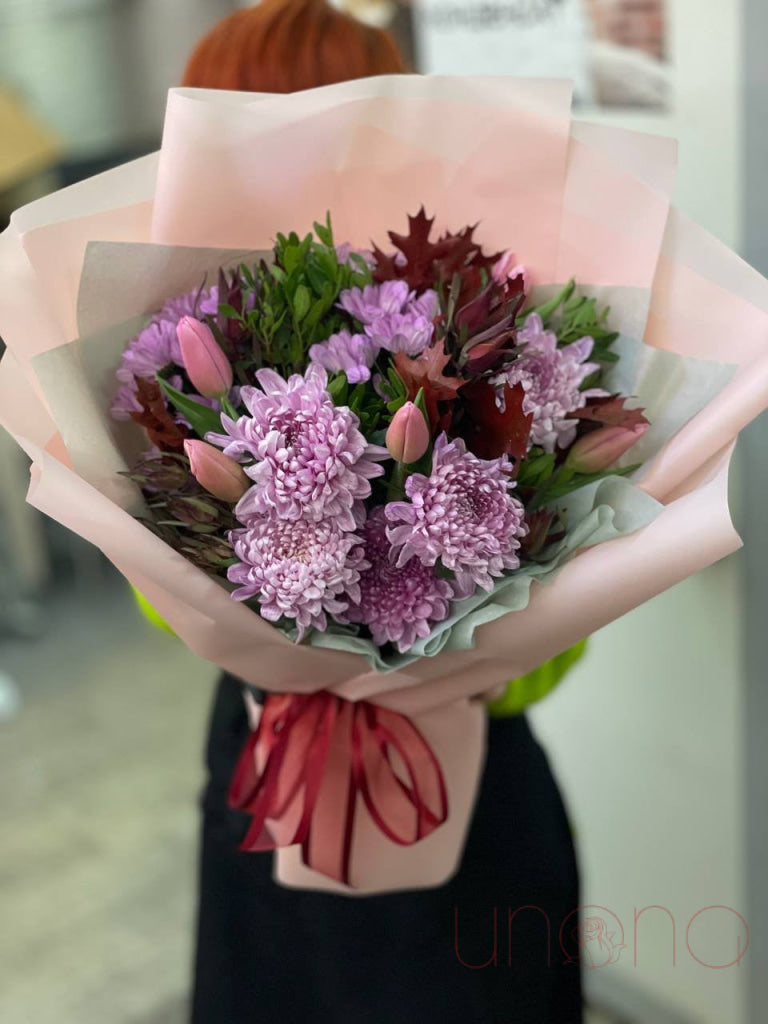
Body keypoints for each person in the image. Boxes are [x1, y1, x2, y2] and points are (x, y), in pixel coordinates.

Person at [183, 4, 582, 1021]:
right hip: (369, 780)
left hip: (375, 790)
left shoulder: (478, 330)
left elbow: (171, 611)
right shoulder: (192, 335)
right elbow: (546, 653)